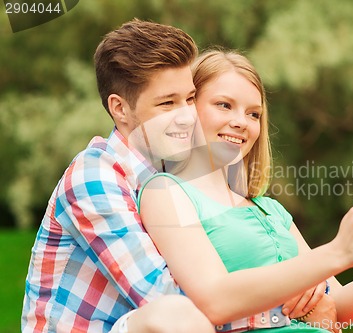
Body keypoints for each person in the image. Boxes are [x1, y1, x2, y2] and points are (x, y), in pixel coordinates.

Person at [138, 49, 353, 332]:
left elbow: (341, 306)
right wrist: (337, 251)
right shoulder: (165, 191)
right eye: (224, 105)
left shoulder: (270, 210)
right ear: (188, 109)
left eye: (254, 114)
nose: (241, 122)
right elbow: (215, 301)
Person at [21, 19, 215, 333]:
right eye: (167, 103)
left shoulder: (177, 170)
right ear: (120, 109)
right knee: (172, 314)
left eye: (190, 99)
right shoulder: (94, 177)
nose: (187, 116)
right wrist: (277, 304)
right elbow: (163, 294)